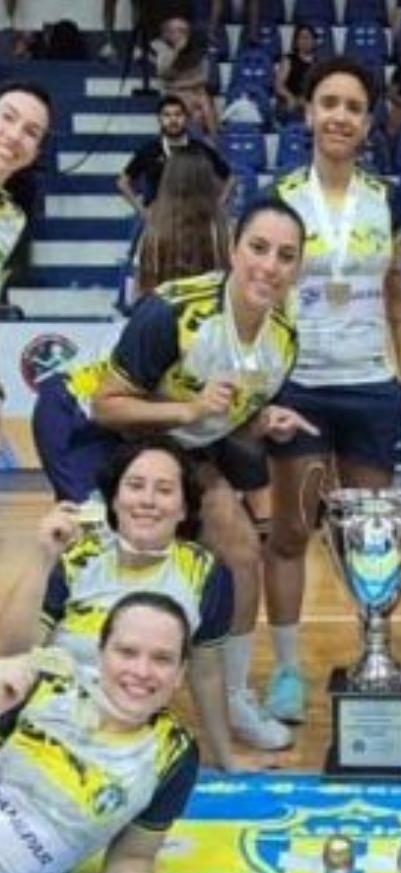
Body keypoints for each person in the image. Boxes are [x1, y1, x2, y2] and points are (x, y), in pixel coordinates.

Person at [33, 200, 313, 751]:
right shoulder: (172, 311)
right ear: (233, 249)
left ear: (298, 268)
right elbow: (110, 404)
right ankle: (62, 691)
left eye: (286, 256)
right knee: (105, 545)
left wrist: (261, 420)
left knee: (236, 543)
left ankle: (233, 697)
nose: (269, 266)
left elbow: (226, 414)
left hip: (171, 436)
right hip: (85, 420)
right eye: (258, 248)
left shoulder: (284, 340)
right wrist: (190, 412)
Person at [267, 59, 401, 726]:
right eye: (328, 102)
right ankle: (290, 671)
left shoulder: (388, 198)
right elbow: (260, 293)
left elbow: (398, 293)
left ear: (367, 121)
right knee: (294, 529)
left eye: (353, 106)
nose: (339, 116)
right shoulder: (281, 197)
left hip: (371, 387)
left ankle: (372, 656)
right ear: (308, 112)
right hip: (301, 386)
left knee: (373, 538)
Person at [0, 444, 239, 772]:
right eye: (135, 486)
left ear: (184, 508)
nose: (147, 501)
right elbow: (12, 653)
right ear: (114, 499)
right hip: (42, 726)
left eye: (165, 490)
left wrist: (227, 758)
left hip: (128, 743)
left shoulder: (207, 573)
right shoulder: (75, 557)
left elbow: (207, 673)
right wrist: (43, 559)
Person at [0, 592, 198, 873]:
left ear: (181, 673)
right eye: (127, 652)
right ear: (100, 652)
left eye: (162, 659)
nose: (141, 671)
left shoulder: (174, 754)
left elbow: (132, 856)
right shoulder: (44, 684)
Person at [134, 145, 232, 297]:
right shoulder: (225, 231)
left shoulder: (151, 234)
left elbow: (139, 297)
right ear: (208, 182)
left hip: (161, 316)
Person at [116, 95, 231, 220]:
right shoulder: (148, 150)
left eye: (178, 115)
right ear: (159, 119)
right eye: (167, 115)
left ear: (186, 118)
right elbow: (122, 182)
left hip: (194, 218)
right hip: (159, 217)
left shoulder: (200, 149)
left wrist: (218, 206)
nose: (173, 120)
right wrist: (142, 211)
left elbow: (230, 177)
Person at [0, 81, 50, 291]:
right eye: (7, 117)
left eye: (31, 132)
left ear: (34, 155)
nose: (14, 136)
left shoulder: (12, 219)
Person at [153, 15, 217, 137]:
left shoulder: (198, 51)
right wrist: (176, 51)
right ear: (167, 34)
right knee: (189, 107)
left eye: (184, 31)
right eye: (177, 31)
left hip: (195, 93)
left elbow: (203, 78)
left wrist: (176, 85)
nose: (182, 35)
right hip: (175, 96)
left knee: (204, 101)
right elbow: (162, 74)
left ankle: (214, 141)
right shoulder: (164, 52)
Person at [275, 23, 319, 124]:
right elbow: (279, 85)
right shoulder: (288, 60)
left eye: (308, 37)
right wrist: (290, 97)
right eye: (301, 38)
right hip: (291, 101)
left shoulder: (319, 63)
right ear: (296, 41)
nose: (305, 41)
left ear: (314, 41)